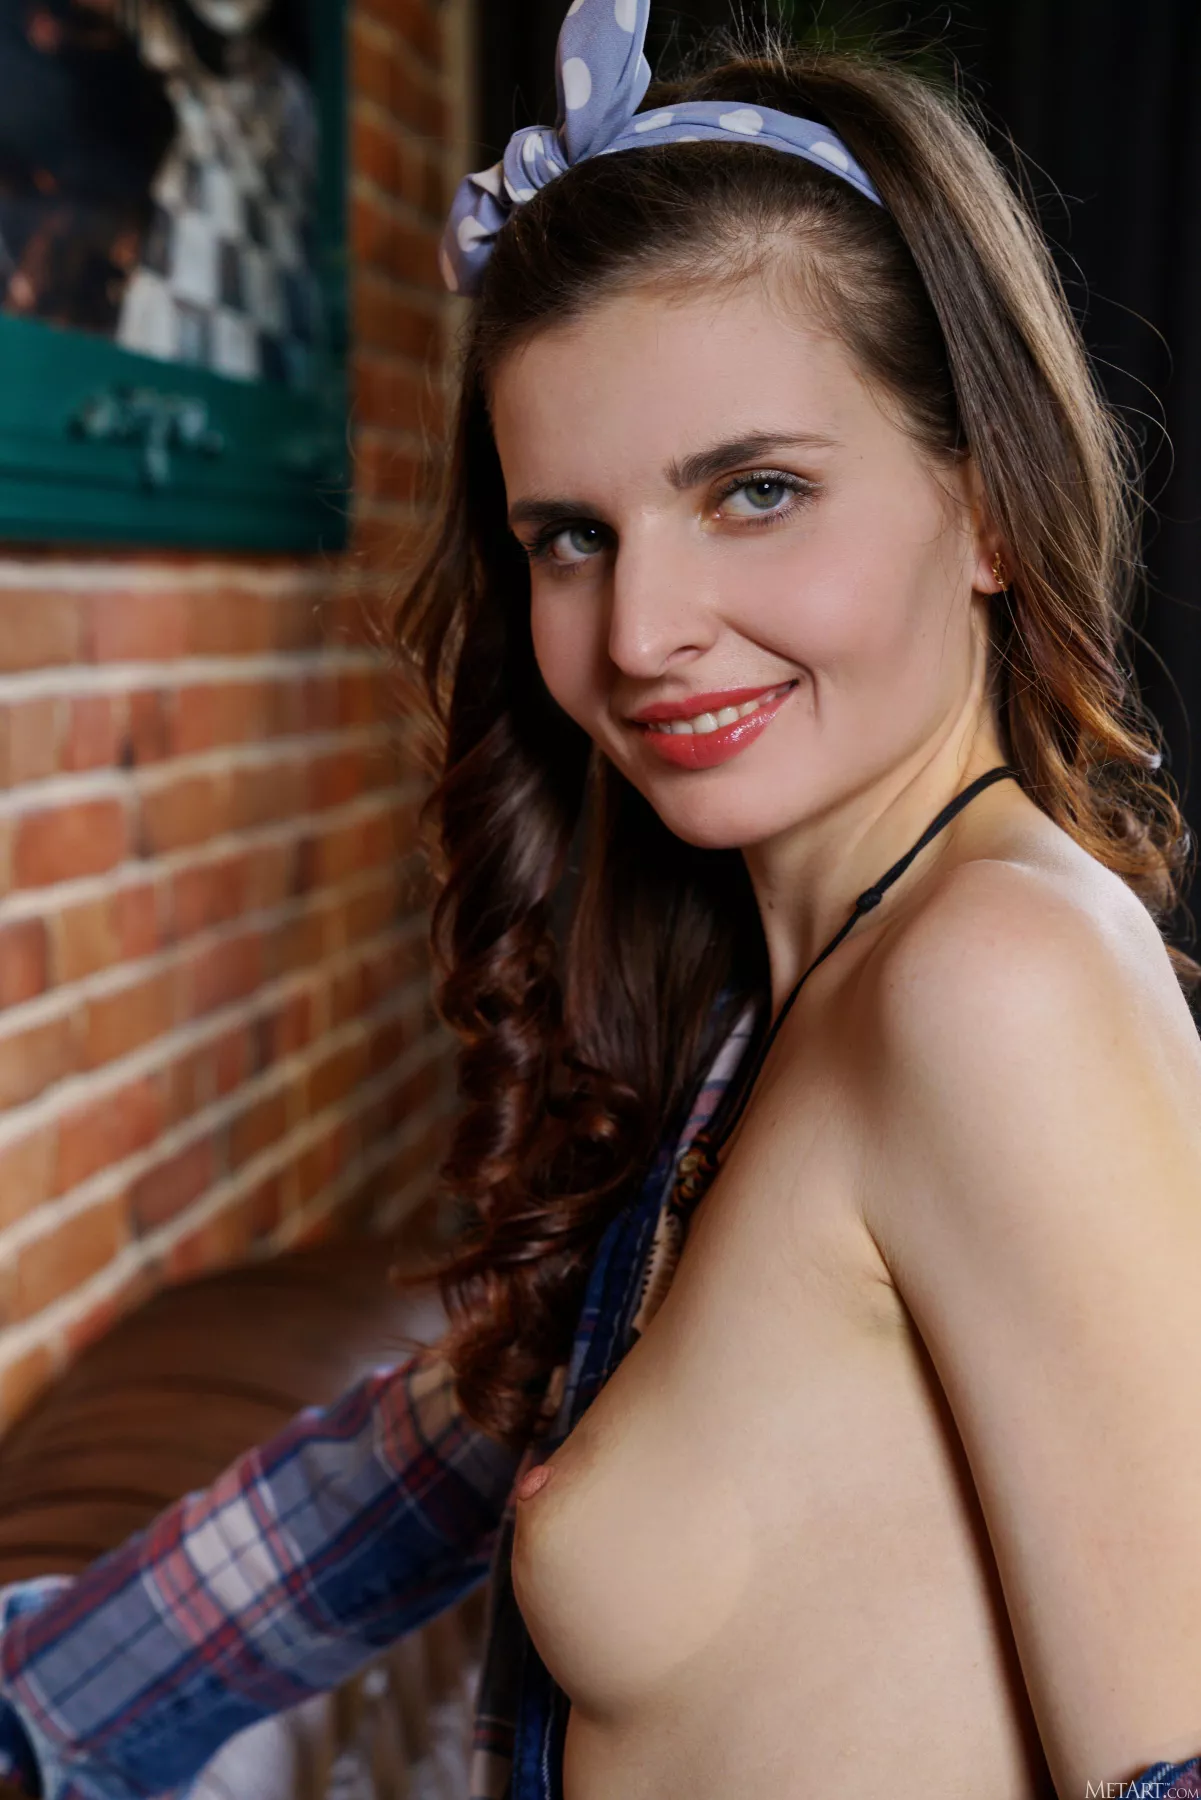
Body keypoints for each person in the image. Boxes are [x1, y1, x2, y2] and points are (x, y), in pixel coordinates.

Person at [3, 1, 1201, 1795]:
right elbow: (431, 1455)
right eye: (570, 534)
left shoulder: (995, 982)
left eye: (757, 492)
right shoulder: (772, 1003)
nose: (640, 633)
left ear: (989, 511)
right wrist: (37, 1713)